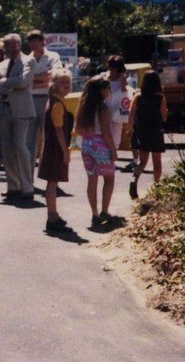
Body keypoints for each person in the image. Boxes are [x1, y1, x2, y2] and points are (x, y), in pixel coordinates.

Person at [0, 33, 37, 202]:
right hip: (4, 109)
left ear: (20, 45)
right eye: (9, 45)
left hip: (22, 111)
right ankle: (13, 186)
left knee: (20, 147)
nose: (13, 48)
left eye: (15, 44)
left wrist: (4, 82)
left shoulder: (28, 61)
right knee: (7, 149)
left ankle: (27, 186)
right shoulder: (1, 65)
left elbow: (23, 82)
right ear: (4, 47)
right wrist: (8, 83)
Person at [73, 76, 117, 228]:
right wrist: (113, 149)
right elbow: (106, 131)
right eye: (107, 88)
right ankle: (105, 210)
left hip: (86, 143)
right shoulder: (103, 107)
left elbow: (78, 129)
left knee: (92, 179)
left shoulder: (84, 107)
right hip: (100, 144)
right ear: (101, 90)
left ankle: (94, 213)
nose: (109, 91)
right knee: (109, 179)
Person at [24, 29, 62, 185]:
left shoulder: (53, 56)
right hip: (30, 100)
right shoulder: (26, 59)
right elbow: (25, 80)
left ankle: (51, 180)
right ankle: (28, 181)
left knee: (49, 140)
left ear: (42, 41)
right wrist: (42, 79)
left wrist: (35, 80)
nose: (33, 43)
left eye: (36, 40)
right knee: (29, 141)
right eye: (31, 40)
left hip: (48, 100)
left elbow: (55, 77)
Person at [38, 68, 74, 232]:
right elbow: (58, 130)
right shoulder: (57, 104)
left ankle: (53, 214)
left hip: (51, 147)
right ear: (54, 85)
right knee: (52, 183)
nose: (66, 85)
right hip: (55, 149)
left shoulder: (54, 101)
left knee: (53, 183)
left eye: (68, 82)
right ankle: (51, 217)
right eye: (62, 82)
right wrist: (65, 152)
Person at [127, 71, 167, 200]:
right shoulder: (161, 98)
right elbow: (164, 117)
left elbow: (131, 115)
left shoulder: (138, 97)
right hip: (155, 131)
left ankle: (134, 178)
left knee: (142, 161)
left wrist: (130, 129)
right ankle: (156, 186)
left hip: (142, 130)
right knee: (157, 161)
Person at [103, 55, 133, 166]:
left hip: (117, 110)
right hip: (105, 107)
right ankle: (106, 157)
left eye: (113, 67)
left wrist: (122, 83)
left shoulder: (122, 78)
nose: (110, 69)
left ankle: (112, 158)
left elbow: (125, 93)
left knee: (115, 133)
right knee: (104, 131)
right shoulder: (104, 77)